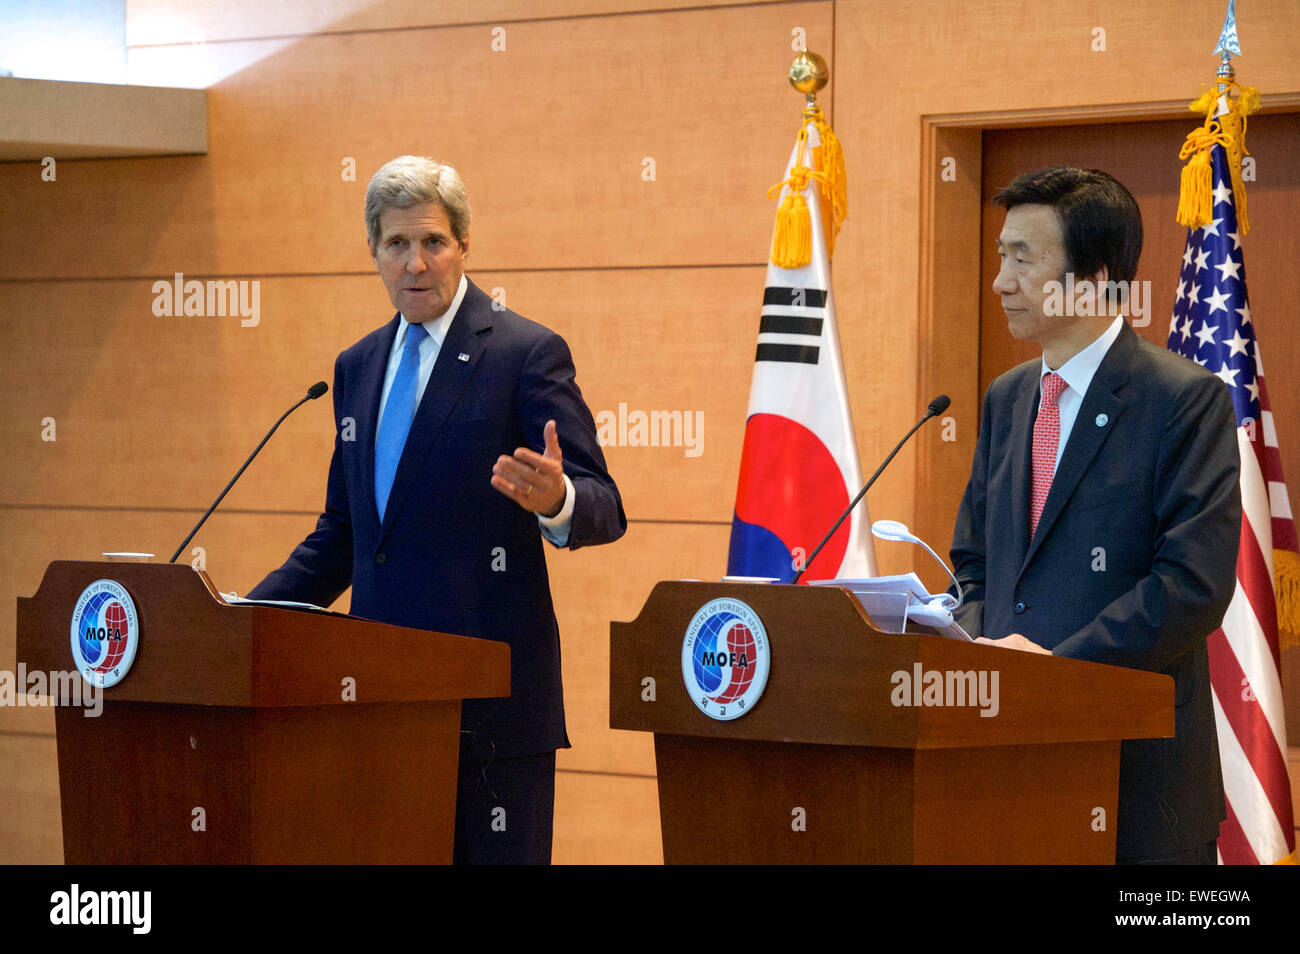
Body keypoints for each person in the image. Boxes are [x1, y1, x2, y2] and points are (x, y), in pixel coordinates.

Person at [249, 155, 626, 864]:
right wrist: (241, 614)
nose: (415, 264)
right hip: (378, 708)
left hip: (492, 717)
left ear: (464, 246)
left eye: (433, 242)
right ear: (373, 253)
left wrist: (558, 501)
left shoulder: (524, 352)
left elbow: (605, 506)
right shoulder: (356, 366)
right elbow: (345, 536)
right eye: (396, 244)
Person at [949, 166, 1240, 864]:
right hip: (1004, 776)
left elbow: (1190, 587)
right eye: (1001, 255)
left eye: (1023, 257)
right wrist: (974, 649)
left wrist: (1052, 673)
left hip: (1140, 787)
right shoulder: (1007, 397)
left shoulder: (1182, 400)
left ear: (1093, 277)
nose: (1001, 281)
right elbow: (973, 564)